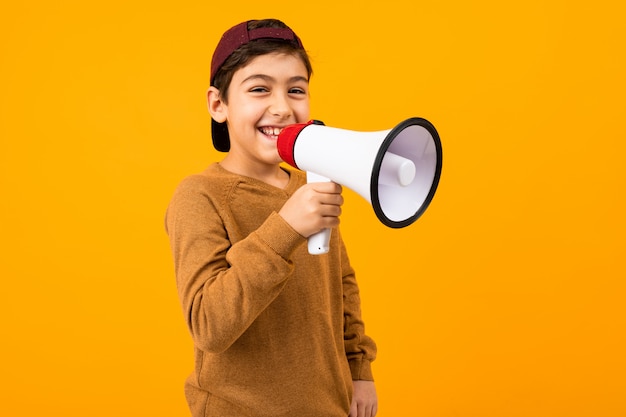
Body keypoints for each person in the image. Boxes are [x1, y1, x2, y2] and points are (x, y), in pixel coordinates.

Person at [165, 19, 377, 417]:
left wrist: (360, 369)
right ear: (218, 104)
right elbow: (209, 324)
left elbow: (341, 282)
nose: (282, 107)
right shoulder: (199, 196)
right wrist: (287, 226)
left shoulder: (309, 182)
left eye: (296, 90)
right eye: (259, 89)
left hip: (328, 406)